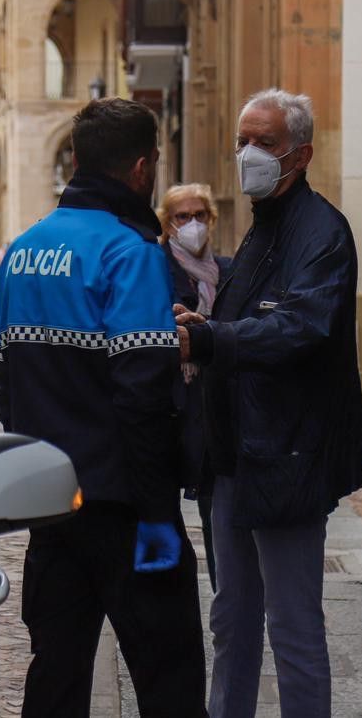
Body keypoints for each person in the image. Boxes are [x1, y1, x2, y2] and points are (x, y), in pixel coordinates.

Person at [0, 98, 206, 718]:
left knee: (56, 676)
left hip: (51, 510)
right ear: (142, 169)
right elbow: (143, 396)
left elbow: (6, 391)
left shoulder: (21, 253)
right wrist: (159, 517)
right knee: (170, 681)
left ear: (79, 159)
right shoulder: (130, 253)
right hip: (125, 511)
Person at [175, 90, 362, 718]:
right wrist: (204, 325)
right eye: (243, 141)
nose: (248, 154)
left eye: (265, 143)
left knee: (292, 628)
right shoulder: (261, 228)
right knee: (231, 619)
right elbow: (243, 323)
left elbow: (302, 328)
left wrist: (213, 336)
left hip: (286, 457)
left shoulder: (321, 232)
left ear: (301, 154)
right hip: (234, 459)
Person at [156, 182, 232, 589]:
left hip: (213, 404)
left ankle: (224, 590)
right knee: (164, 507)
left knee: (215, 507)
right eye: (182, 216)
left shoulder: (229, 270)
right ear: (168, 224)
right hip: (170, 404)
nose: (193, 224)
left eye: (200, 215)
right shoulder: (154, 266)